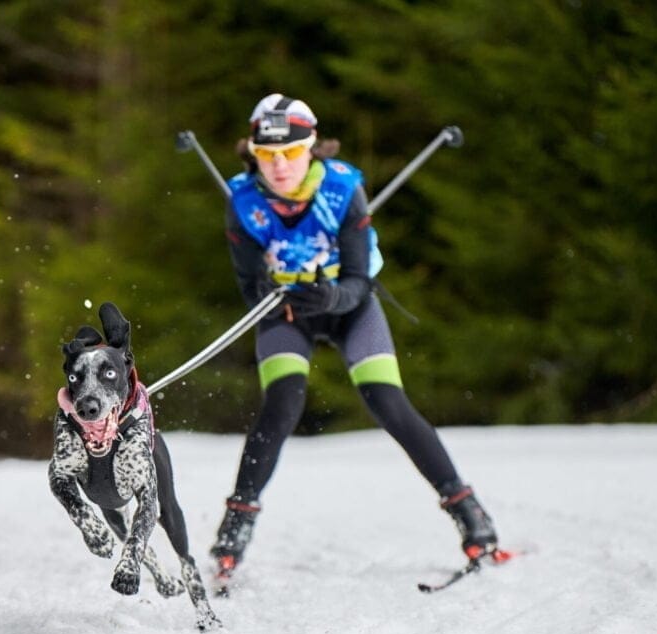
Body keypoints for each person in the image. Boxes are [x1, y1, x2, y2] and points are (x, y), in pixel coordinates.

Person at [210, 93, 499, 577]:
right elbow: (247, 283)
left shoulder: (343, 190)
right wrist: (269, 296)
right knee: (282, 404)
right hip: (287, 312)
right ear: (253, 153)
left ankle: (470, 513)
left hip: (348, 306)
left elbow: (360, 281)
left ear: (311, 147)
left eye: (291, 152)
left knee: (388, 402)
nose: (279, 166)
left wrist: (330, 298)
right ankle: (235, 524)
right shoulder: (243, 201)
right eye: (267, 154)